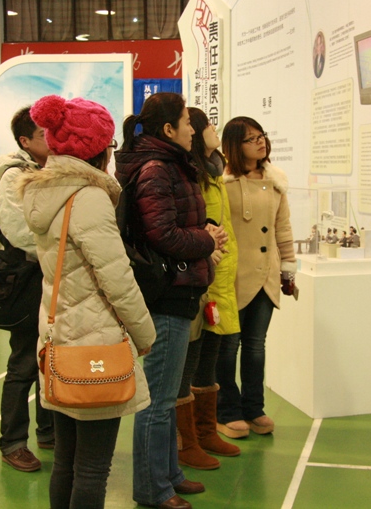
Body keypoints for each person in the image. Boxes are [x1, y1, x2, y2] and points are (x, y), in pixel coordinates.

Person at [19, 95, 156, 509]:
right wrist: (145, 334)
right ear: (97, 148)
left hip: (60, 339)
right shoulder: (89, 197)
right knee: (93, 468)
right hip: (96, 344)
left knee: (65, 461)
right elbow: (117, 278)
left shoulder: (44, 194)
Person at [115, 92, 227, 509]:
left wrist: (204, 230)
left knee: (163, 398)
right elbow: (163, 234)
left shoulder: (170, 164)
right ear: (168, 129)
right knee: (158, 401)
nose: (193, 128)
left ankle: (168, 475)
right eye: (186, 120)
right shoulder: (156, 168)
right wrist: (206, 239)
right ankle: (152, 488)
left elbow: (174, 223)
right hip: (166, 293)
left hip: (179, 289)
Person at [216, 117, 296, 439]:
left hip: (266, 275)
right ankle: (226, 411)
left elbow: (283, 228)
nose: (260, 142)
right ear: (234, 146)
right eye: (250, 139)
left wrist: (288, 268)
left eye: (261, 135)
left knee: (255, 346)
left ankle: (254, 408)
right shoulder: (222, 182)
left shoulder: (276, 181)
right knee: (227, 347)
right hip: (231, 276)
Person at [175, 107, 242, 471]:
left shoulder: (215, 173)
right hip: (201, 278)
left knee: (210, 357)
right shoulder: (191, 177)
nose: (214, 129)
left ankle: (205, 432)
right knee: (189, 359)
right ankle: (185, 443)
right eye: (206, 125)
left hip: (221, 278)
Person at [0, 107, 54, 473]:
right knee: (24, 363)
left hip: (48, 277)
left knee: (49, 357)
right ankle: (12, 442)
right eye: (44, 134)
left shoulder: (46, 170)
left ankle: (48, 431)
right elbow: (19, 232)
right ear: (25, 141)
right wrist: (60, 244)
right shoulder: (14, 177)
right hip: (27, 280)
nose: (51, 139)